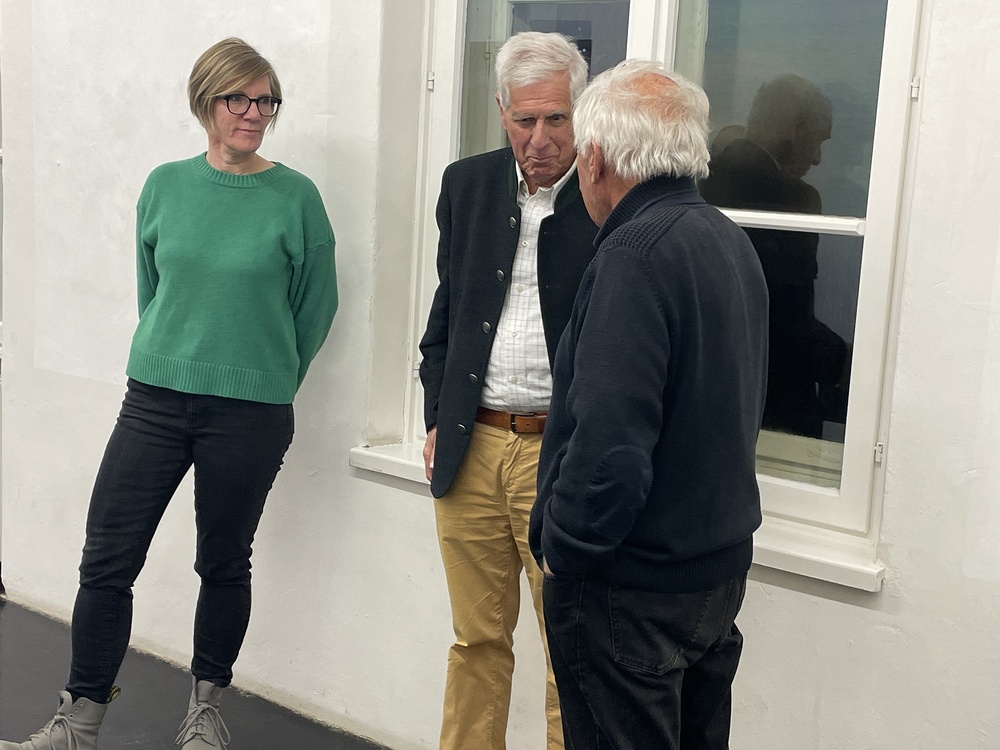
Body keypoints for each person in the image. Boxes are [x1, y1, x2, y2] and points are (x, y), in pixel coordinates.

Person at [0, 38, 338, 750]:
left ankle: (204, 714)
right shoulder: (164, 185)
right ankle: (79, 722)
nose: (254, 114)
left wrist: (267, 377)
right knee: (106, 559)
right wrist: (176, 353)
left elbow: (315, 308)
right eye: (238, 99)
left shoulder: (297, 198)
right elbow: (153, 288)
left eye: (266, 101)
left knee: (223, 561)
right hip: (153, 400)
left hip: (250, 414)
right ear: (205, 102)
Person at [528, 60, 768, 749]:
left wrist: (564, 552)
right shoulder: (726, 238)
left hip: (630, 588)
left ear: (596, 159)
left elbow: (609, 448)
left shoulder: (632, 256)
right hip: (714, 570)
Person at [418, 31, 598, 750]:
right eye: (524, 120)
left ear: (582, 112)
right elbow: (446, 316)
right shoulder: (467, 185)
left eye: (557, 118)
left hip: (559, 453)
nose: (540, 139)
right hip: (473, 445)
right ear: (501, 112)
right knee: (476, 641)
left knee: (571, 654)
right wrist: (438, 417)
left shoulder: (605, 195)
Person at [700, 74, 848, 438]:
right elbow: (784, 315)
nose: (817, 158)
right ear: (795, 131)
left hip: (707, 387)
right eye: (818, 140)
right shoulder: (793, 199)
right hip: (773, 400)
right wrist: (844, 363)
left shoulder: (702, 180)